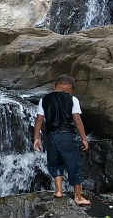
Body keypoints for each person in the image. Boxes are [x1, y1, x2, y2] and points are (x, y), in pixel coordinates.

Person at [33, 75, 91, 206]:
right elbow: (77, 119)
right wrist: (84, 138)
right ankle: (78, 196)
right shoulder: (72, 99)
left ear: (54, 86)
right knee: (74, 164)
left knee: (54, 162)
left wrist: (36, 138)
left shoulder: (44, 99)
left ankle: (58, 191)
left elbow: (39, 120)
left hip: (50, 136)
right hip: (67, 136)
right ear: (71, 90)